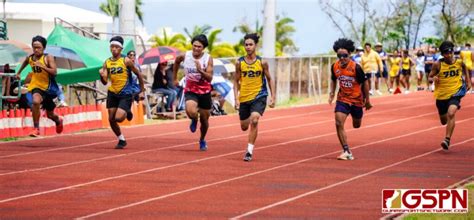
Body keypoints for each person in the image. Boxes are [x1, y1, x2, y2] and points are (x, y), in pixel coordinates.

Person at [234, 33, 276, 162]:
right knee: (244, 126)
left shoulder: (262, 62)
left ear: (255, 46)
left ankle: (249, 151)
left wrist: (273, 96)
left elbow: (269, 79)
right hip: (244, 98)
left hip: (259, 95)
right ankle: (246, 126)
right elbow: (236, 81)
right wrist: (236, 98)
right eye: (246, 45)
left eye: (250, 44)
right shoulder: (239, 62)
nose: (248, 47)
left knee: (255, 120)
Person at [329, 38, 371, 161]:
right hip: (343, 99)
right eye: (339, 55)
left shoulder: (356, 68)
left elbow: (365, 83)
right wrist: (332, 93)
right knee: (338, 122)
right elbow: (333, 79)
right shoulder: (335, 66)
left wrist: (367, 101)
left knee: (356, 125)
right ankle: (346, 150)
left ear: (350, 54)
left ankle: (357, 117)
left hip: (357, 100)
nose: (342, 58)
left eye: (345, 55)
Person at [99, 36, 145, 149]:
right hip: (112, 92)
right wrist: (102, 76)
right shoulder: (107, 62)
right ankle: (121, 139)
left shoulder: (126, 61)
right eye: (112, 47)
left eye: (116, 47)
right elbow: (104, 82)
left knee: (119, 118)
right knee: (111, 119)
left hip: (126, 93)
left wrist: (141, 90)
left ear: (121, 49)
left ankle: (127, 110)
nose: (114, 49)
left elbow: (138, 74)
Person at [16, 35, 63, 137]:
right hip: (36, 86)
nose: (36, 50)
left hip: (48, 89)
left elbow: (54, 72)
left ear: (44, 48)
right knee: (35, 102)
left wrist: (42, 66)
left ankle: (58, 120)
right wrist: (19, 72)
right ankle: (36, 128)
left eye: (39, 47)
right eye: (34, 47)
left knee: (50, 114)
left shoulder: (48, 57)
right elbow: (25, 62)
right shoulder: (31, 58)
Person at [173, 34, 214, 151]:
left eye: (199, 47)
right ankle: (194, 119)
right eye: (194, 46)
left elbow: (210, 78)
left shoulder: (208, 58)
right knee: (191, 111)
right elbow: (176, 62)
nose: (196, 48)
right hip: (191, 89)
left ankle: (202, 139)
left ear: (203, 48)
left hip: (205, 91)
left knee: (205, 121)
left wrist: (200, 70)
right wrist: (175, 78)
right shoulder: (185, 55)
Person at [428, 41, 471, 150]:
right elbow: (429, 77)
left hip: (456, 92)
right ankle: (448, 118)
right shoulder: (437, 64)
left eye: (450, 52)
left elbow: (466, 68)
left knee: (451, 113)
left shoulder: (459, 62)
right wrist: (433, 79)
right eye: (446, 53)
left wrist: (468, 81)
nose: (449, 55)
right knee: (444, 121)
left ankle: (447, 139)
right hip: (441, 95)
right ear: (442, 54)